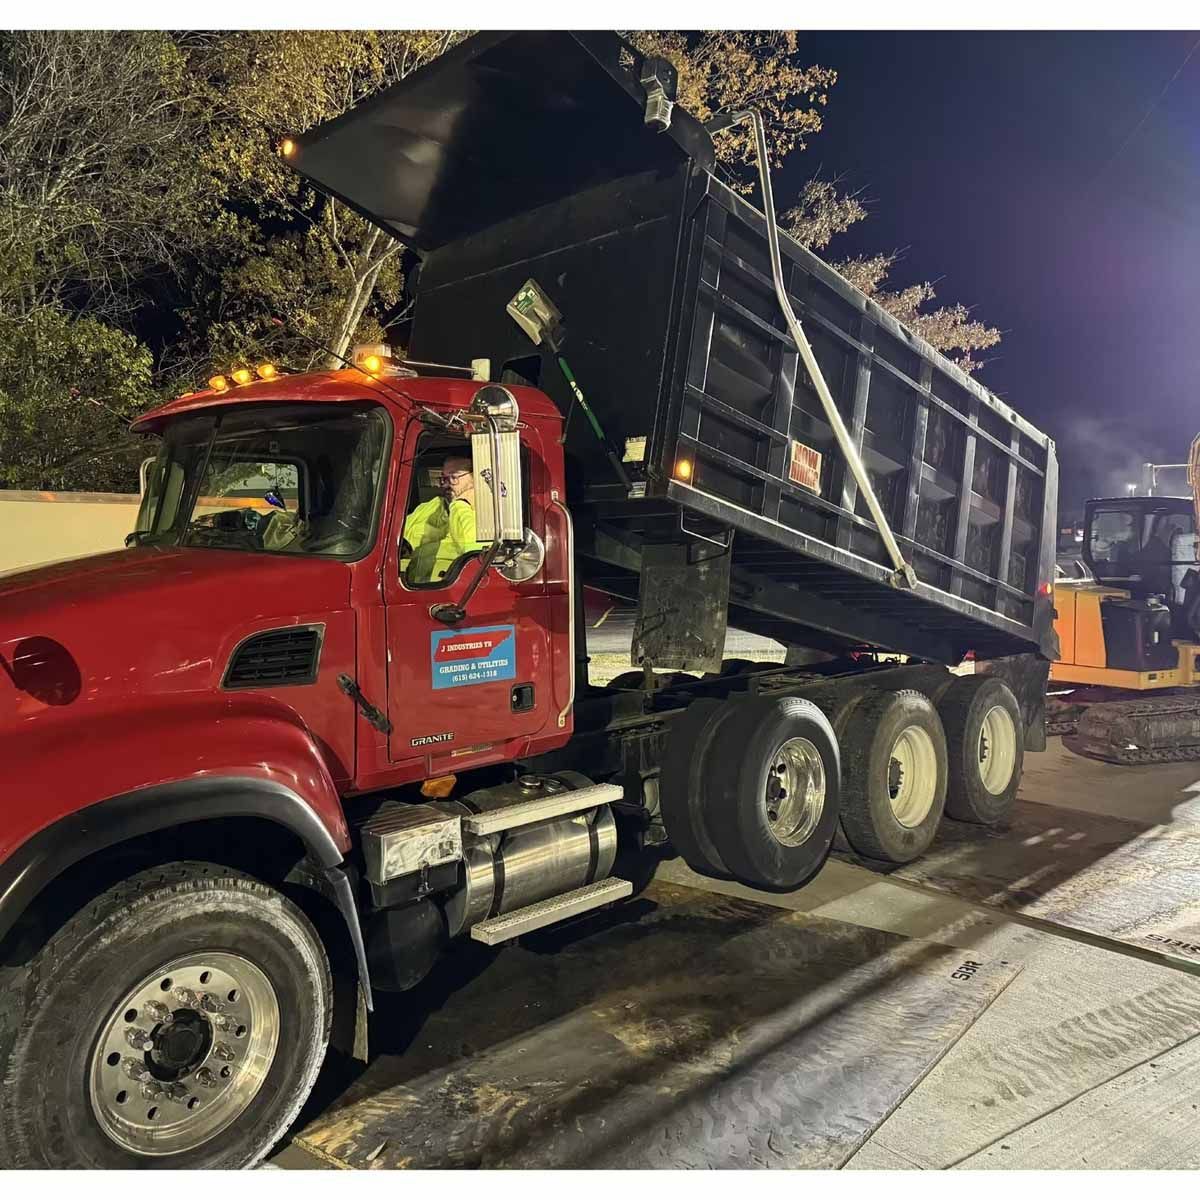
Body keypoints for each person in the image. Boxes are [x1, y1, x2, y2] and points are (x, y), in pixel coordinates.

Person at [401, 455, 482, 583]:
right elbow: (398, 537)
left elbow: (472, 551)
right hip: (410, 586)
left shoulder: (482, 513)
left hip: (450, 591)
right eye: (444, 478)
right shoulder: (433, 505)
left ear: (476, 478)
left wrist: (460, 503)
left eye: (454, 477)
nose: (445, 485)